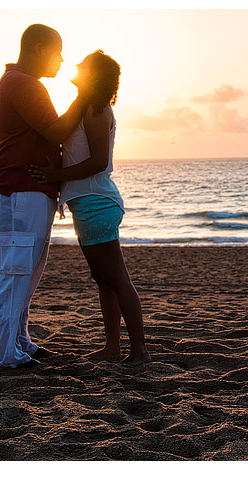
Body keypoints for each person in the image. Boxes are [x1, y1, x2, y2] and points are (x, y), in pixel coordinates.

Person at [30, 50, 151, 366]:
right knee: (104, 279)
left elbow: (98, 162)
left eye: (84, 64)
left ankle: (139, 351)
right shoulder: (85, 106)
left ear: (93, 75)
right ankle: (112, 348)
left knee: (118, 278)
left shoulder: (97, 111)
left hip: (97, 204)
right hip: (90, 205)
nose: (77, 65)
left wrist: (57, 175)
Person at [0, 24, 88, 368]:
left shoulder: (23, 83)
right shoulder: (23, 84)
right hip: (18, 190)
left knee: (25, 270)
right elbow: (58, 129)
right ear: (41, 49)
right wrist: (84, 96)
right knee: (15, 271)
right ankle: (6, 354)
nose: (62, 60)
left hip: (25, 191)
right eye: (58, 52)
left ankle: (18, 340)